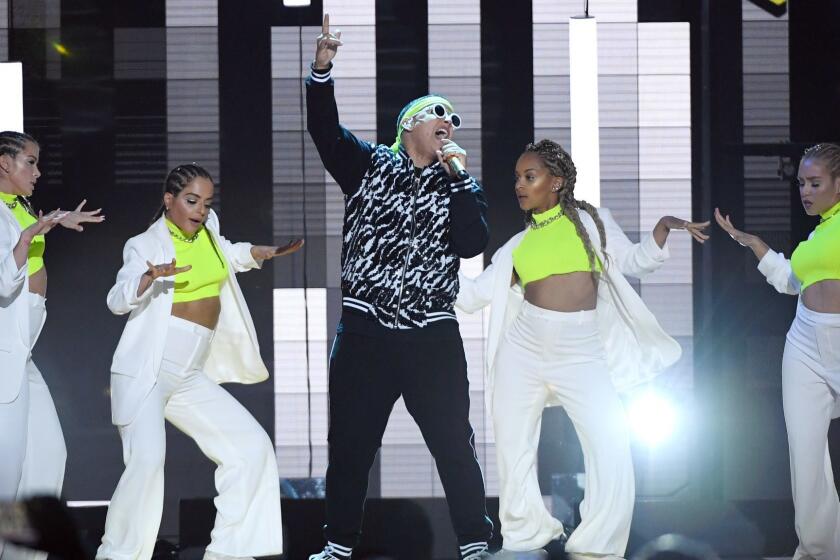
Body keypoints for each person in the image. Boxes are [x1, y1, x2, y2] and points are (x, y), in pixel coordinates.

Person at [457, 140, 708, 560]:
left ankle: (597, 546)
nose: (519, 185)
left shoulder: (592, 223)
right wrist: (421, 270)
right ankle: (523, 535)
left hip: (582, 349)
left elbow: (633, 262)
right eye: (517, 178)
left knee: (610, 443)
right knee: (513, 443)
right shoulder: (517, 246)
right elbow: (472, 295)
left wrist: (662, 231)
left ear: (556, 183)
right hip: (524, 346)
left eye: (529, 177)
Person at [305, 14, 493, 560]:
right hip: (366, 333)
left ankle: (476, 543)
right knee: (351, 448)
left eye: (454, 122)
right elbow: (325, 132)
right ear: (409, 123)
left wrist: (459, 179)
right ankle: (338, 545)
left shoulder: (463, 185)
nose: (449, 125)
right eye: (439, 115)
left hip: (431, 336)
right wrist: (322, 70)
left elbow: (470, 244)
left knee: (454, 445)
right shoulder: (369, 165)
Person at [96, 163, 302, 560]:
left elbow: (225, 252)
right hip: (148, 369)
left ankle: (229, 553)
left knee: (251, 446)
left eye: (207, 203)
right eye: (192, 201)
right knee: (147, 462)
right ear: (169, 200)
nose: (200, 211)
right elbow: (116, 299)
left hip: (189, 374)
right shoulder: (144, 245)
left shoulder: (209, 230)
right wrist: (146, 280)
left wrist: (259, 253)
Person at [716, 143, 840, 560]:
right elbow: (791, 281)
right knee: (805, 454)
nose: (805, 190)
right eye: (802, 183)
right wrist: (753, 244)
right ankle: (819, 551)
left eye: (815, 183)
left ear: (839, 185)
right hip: (804, 341)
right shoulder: (819, 232)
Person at [0, 130, 103, 560]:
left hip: (22, 352)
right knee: (6, 473)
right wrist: (26, 242)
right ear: (4, 163)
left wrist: (56, 220)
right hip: (4, 352)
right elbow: (4, 281)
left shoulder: (17, 204)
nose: (38, 171)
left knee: (48, 455)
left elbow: (26, 222)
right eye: (30, 162)